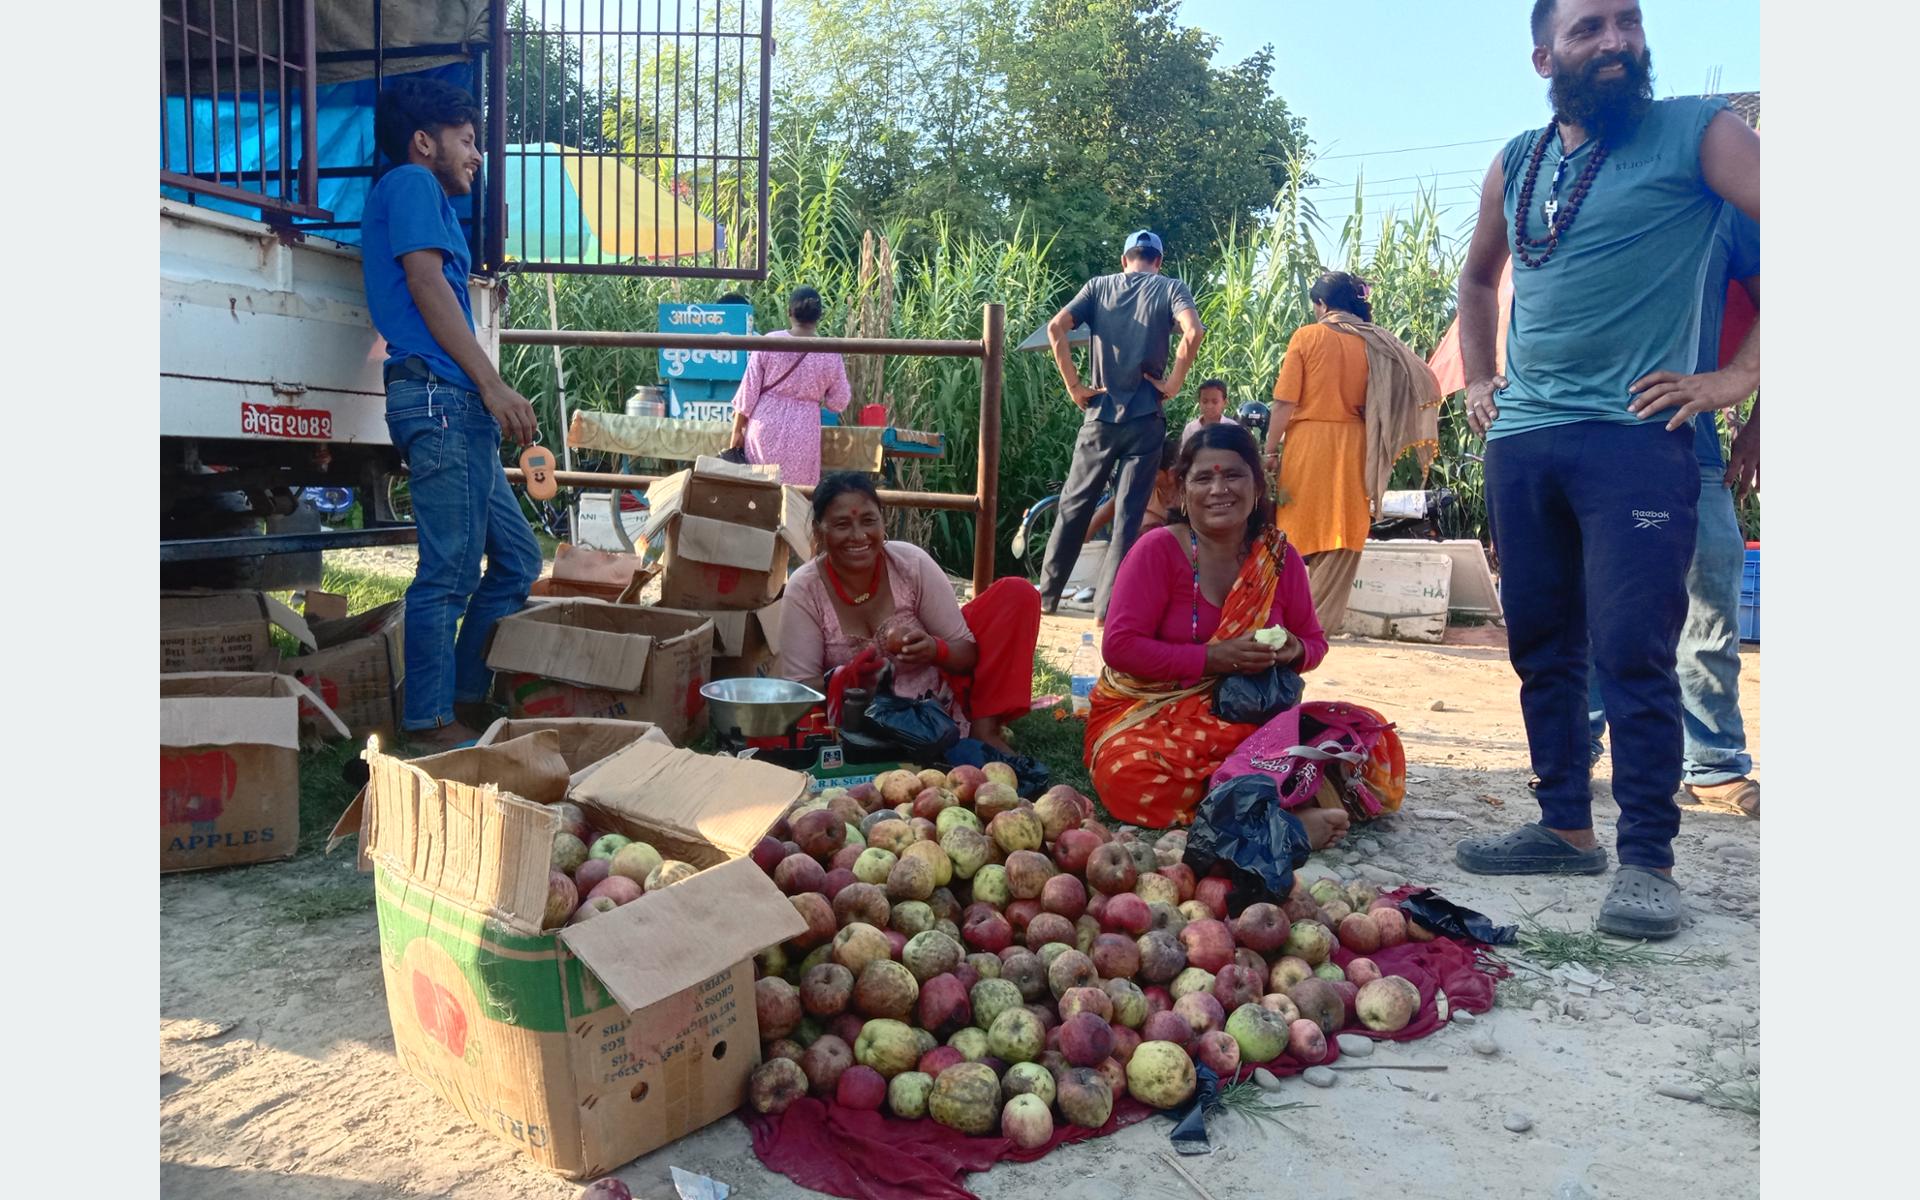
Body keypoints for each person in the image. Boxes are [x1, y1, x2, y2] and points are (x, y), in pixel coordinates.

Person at [1451, 0, 1760, 939]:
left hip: (1636, 436)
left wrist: (1739, 378)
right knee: (1541, 641)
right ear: (1546, 54)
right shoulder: (1517, 159)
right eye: (1590, 28)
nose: (1617, 40)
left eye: (1628, 21)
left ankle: (1649, 862)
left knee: (1634, 648)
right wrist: (1475, 380)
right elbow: (1477, 279)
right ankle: (1563, 826)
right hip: (1525, 439)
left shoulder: (1701, 133)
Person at [363, 78, 541, 751]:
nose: (476, 156)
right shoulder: (412, 184)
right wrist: (492, 384)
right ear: (423, 141)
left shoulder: (418, 190)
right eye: (467, 141)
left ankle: (458, 698)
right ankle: (429, 722)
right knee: (450, 571)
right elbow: (426, 281)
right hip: (440, 402)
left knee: (518, 559)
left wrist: (483, 394)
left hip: (451, 406)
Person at [1084, 424, 1347, 848]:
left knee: (1340, 739)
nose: (1219, 489)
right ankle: (1277, 815)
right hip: (1152, 712)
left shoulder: (1279, 559)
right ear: (1182, 491)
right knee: (1128, 773)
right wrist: (1214, 658)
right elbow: (1120, 646)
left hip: (1246, 711)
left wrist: (1290, 650)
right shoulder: (1157, 551)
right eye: (1203, 478)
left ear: (1257, 485)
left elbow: (1314, 644)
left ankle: (1261, 803)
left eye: (1234, 476)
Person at [1587, 207, 1761, 818]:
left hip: (1692, 443)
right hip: (1585, 439)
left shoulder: (1721, 213)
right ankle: (1574, 746)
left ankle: (1712, 763)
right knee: (1588, 600)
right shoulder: (1576, 204)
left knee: (1709, 598)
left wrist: (1751, 405)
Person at [780, 473, 1042, 753]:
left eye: (869, 521)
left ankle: (983, 730)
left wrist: (935, 650)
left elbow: (966, 652)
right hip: (857, 722)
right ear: (820, 532)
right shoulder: (805, 588)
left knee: (1017, 593)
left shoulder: (910, 563)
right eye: (842, 524)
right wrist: (846, 677)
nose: (858, 536)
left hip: (937, 709)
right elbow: (798, 692)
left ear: (884, 523)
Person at [1038, 231, 1205, 621]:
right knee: (1129, 516)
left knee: (1073, 505)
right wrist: (1174, 383)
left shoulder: (1098, 287)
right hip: (1146, 419)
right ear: (1158, 262)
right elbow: (1193, 332)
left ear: (1124, 258)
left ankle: (1047, 597)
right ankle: (1106, 609)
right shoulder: (1171, 289)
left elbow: (1055, 328)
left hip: (1100, 415)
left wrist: (1074, 386)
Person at [1266, 271, 1442, 631]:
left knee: (1296, 532)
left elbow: (1284, 401)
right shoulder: (1376, 342)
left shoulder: (1308, 336)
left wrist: (1269, 449)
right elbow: (1425, 380)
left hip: (1308, 446)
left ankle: (1289, 622)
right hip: (1356, 447)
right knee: (1342, 532)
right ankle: (1316, 623)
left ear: (1322, 304)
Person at [726, 286, 852, 486]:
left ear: (789, 313)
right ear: (819, 316)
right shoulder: (830, 352)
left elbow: (748, 393)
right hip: (804, 431)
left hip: (765, 423)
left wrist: (736, 432)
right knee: (797, 495)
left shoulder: (770, 341)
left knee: (760, 490)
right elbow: (838, 402)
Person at [1085, 433, 1184, 545]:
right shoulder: (1141, 488)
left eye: (1152, 473)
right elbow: (1103, 515)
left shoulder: (1187, 494)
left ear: (1171, 472)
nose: (1145, 476)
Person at [1180, 379, 1238, 444]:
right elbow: (1184, 453)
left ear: (1225, 403)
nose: (1209, 406)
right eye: (1204, 401)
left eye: (1215, 402)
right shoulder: (1190, 429)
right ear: (1199, 402)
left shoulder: (1232, 427)